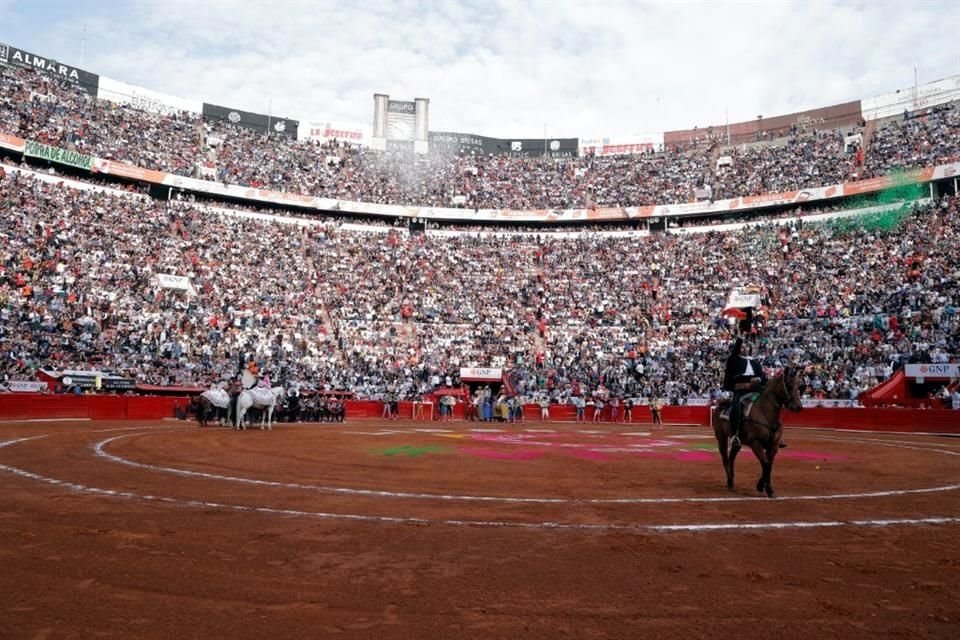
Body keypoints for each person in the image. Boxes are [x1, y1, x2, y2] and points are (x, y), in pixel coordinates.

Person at [722, 308, 767, 448]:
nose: (745, 347)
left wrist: (758, 380)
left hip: (756, 389)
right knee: (736, 408)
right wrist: (741, 335)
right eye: (743, 346)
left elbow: (762, 376)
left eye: (747, 346)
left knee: (770, 405)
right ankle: (735, 435)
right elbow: (736, 349)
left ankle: (772, 433)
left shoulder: (754, 362)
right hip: (741, 390)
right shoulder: (735, 360)